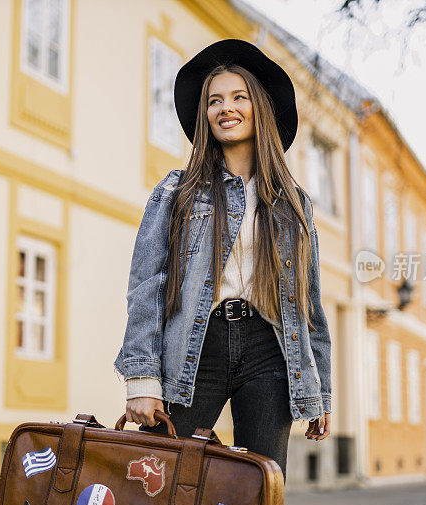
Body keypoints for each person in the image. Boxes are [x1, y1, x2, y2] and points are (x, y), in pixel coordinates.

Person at [113, 38, 332, 481]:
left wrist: (319, 390)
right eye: (214, 100)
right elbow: (146, 288)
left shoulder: (293, 205)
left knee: (259, 488)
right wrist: (142, 379)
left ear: (260, 109)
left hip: (271, 351)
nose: (225, 108)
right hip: (198, 346)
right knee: (163, 484)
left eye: (238, 97)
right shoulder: (178, 192)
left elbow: (308, 306)